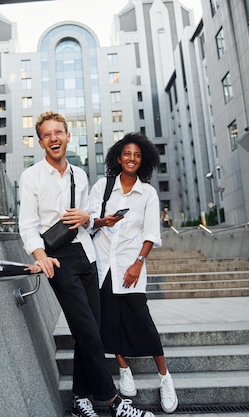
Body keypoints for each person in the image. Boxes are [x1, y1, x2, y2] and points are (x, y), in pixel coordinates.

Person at [19, 112, 154, 417]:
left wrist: (88, 218)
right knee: (89, 332)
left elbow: (90, 219)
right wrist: (41, 256)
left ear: (68, 136)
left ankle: (81, 397)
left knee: (89, 330)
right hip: (58, 259)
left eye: (59, 132)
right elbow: (27, 225)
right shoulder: (31, 177)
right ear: (40, 142)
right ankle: (114, 402)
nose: (54, 138)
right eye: (47, 134)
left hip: (88, 255)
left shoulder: (80, 176)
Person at [89, 132, 178, 414]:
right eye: (127, 154)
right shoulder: (102, 187)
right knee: (109, 322)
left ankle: (165, 378)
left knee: (143, 323)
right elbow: (89, 223)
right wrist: (104, 221)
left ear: (143, 161)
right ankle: (123, 368)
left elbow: (151, 233)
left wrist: (138, 262)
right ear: (118, 158)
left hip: (131, 266)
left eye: (137, 155)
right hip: (103, 266)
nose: (132, 158)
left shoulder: (147, 193)